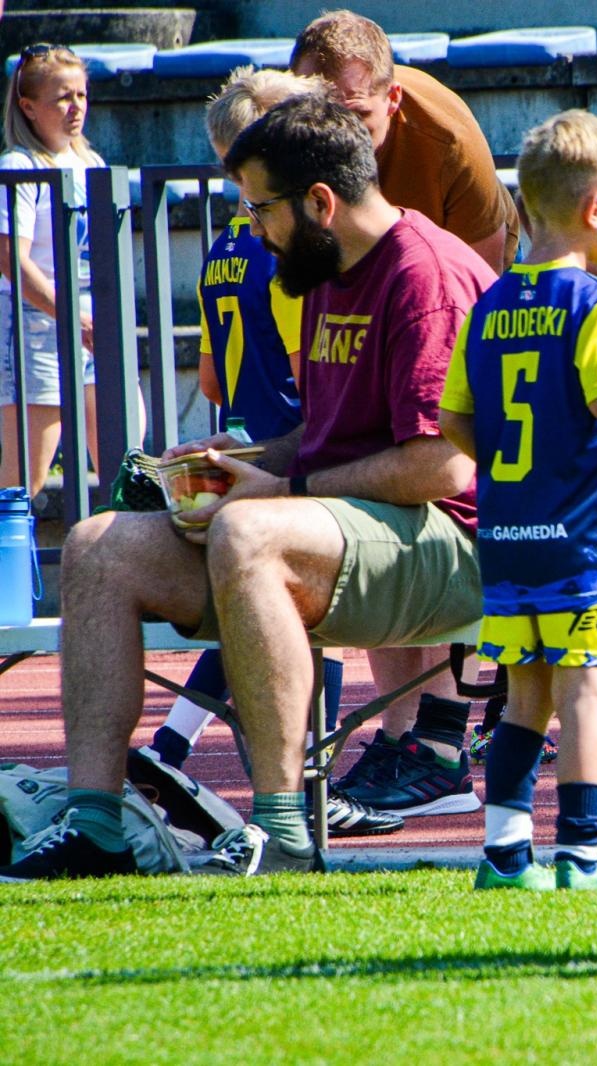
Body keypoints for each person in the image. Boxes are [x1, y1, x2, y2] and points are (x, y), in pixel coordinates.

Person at [0, 89, 494, 882]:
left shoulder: (422, 276)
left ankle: (281, 831)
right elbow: (330, 439)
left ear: (321, 201)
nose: (253, 229)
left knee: (246, 530)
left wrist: (275, 488)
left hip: (451, 548)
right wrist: (246, 455)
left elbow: (441, 466)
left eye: (260, 209)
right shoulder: (331, 263)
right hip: (352, 535)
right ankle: (95, 823)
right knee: (96, 546)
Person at [138, 67, 402, 839]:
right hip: (298, 430)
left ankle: (179, 744)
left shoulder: (224, 246)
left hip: (251, 419)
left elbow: (213, 367)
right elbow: (308, 364)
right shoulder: (292, 254)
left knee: (255, 594)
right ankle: (295, 779)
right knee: (292, 604)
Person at [439, 110, 597, 892]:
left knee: (524, 694)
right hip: (580, 541)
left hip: (510, 537)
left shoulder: (487, 305)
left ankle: (504, 857)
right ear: (595, 206)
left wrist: (515, 469)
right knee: (585, 690)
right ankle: (581, 857)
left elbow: (452, 419)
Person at [290, 9, 519, 272]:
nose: (335, 136)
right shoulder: (282, 131)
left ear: (393, 98)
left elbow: (480, 286)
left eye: (357, 115)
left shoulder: (450, 146)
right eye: (320, 115)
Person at [0, 44, 102, 495]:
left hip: (91, 328)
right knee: (26, 479)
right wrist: (69, 317)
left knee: (128, 459)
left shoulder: (91, 162)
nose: (76, 106)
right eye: (63, 97)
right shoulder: (18, 166)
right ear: (29, 106)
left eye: (81, 94)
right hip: (35, 331)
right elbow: (10, 260)